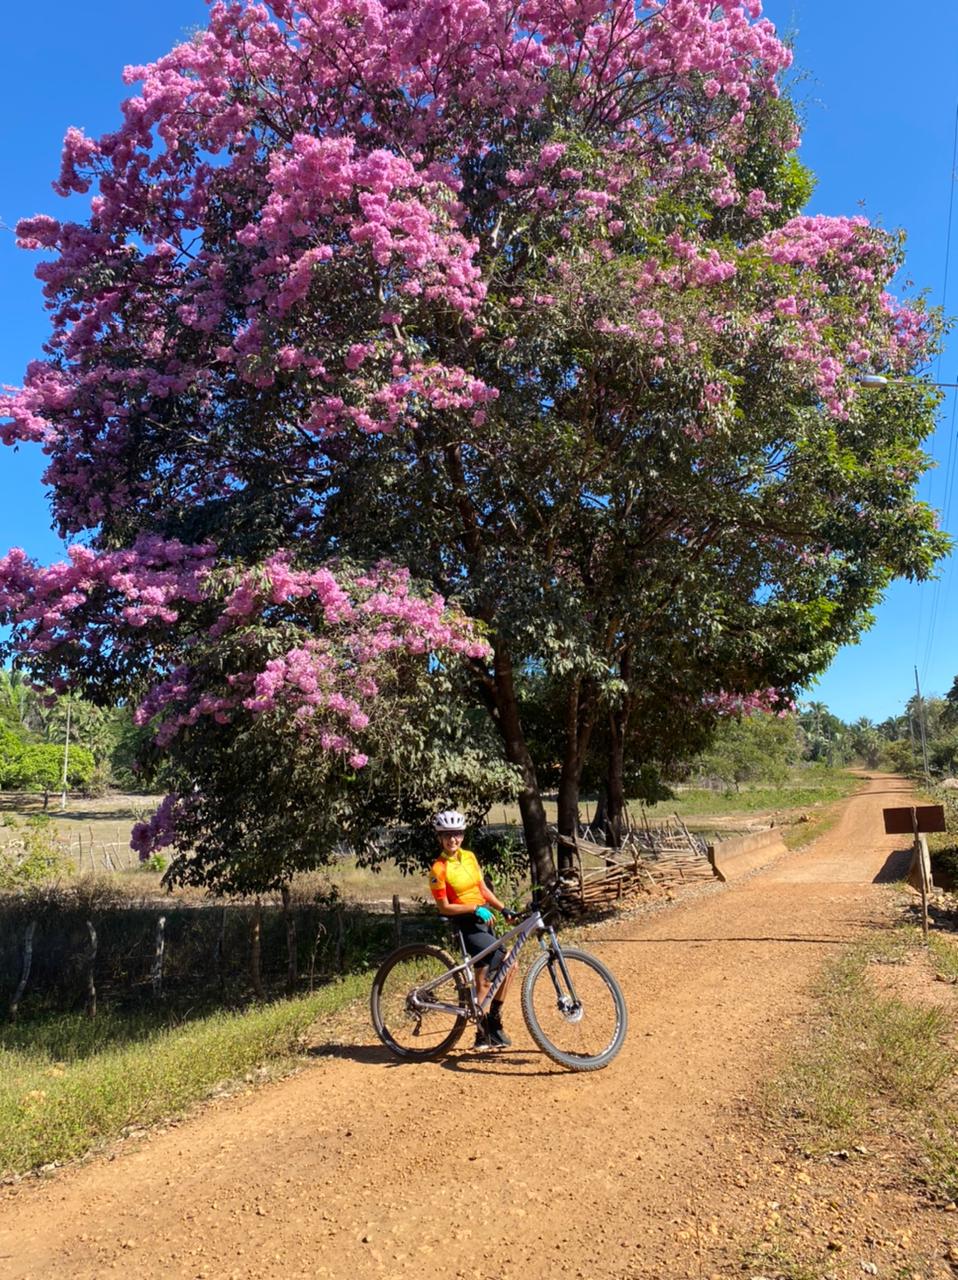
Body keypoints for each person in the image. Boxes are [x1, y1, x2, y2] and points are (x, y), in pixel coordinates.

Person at [428, 809, 517, 1051]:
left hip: (484, 922)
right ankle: (493, 1024)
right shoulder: (438, 869)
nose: (452, 839)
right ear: (439, 838)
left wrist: (503, 909)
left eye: (456, 834)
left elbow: (482, 889)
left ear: (462, 835)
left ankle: (483, 1034)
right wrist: (474, 908)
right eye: (446, 835)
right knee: (508, 963)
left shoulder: (469, 857)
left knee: (485, 982)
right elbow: (444, 907)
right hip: (466, 925)